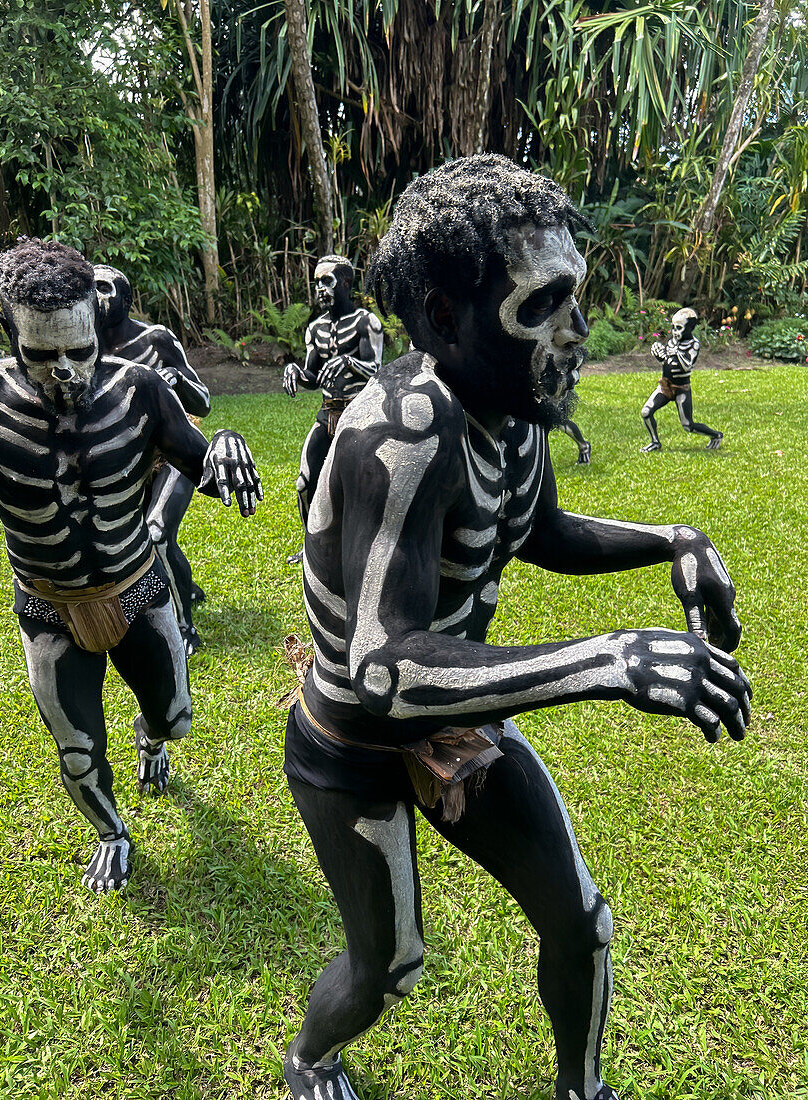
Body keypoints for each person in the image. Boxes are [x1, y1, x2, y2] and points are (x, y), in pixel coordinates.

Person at [281, 156, 750, 1100]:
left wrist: (672, 540)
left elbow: (539, 531)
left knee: (580, 923)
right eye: (542, 307)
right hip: (355, 742)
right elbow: (381, 670)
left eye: (573, 296)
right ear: (443, 320)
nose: (576, 331)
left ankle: (584, 1092)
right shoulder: (401, 432)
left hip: (457, 719)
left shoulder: (514, 403)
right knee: (387, 968)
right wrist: (606, 657)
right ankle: (308, 1057)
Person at [0, 238, 262, 893]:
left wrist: (224, 446)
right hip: (47, 607)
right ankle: (112, 834)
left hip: (138, 589)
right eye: (43, 354)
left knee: (176, 717)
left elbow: (204, 466)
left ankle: (153, 739)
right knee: (77, 753)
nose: (66, 371)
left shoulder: (139, 390)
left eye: (81, 350)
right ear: (9, 332)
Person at [93, 263, 210, 655]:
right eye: (91, 288)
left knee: (157, 534)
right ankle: (181, 586)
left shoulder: (156, 339)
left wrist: (175, 383)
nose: (98, 296)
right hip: (127, 459)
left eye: (106, 289)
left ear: (126, 300)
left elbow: (204, 402)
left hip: (172, 451)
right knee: (136, 537)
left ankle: (183, 627)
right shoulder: (87, 348)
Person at [283, 254, 383, 563]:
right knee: (304, 482)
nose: (320, 289)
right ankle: (311, 544)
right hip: (328, 413)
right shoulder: (315, 329)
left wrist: (348, 361)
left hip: (360, 413)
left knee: (362, 485)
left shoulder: (367, 322)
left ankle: (368, 546)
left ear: (346, 283)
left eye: (326, 281)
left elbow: (377, 369)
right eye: (316, 283)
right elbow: (314, 378)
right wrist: (297, 372)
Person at [640, 308, 723, 452]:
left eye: (678, 328)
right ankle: (655, 441)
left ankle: (716, 435)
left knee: (687, 425)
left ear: (689, 328)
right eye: (673, 327)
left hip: (681, 389)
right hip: (665, 386)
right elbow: (667, 361)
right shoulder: (672, 342)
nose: (674, 332)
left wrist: (676, 353)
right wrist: (659, 354)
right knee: (646, 412)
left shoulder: (693, 344)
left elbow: (687, 365)